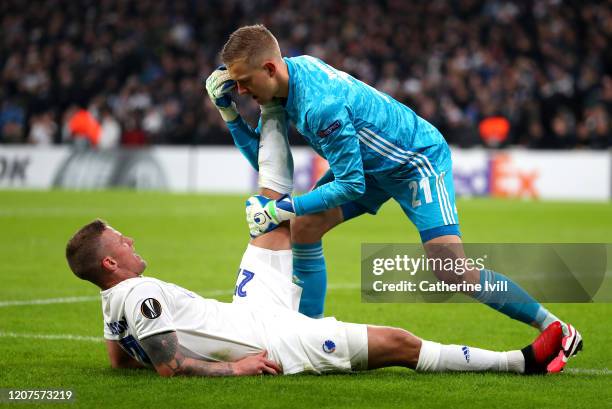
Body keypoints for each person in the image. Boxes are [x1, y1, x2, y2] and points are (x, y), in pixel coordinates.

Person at [204, 24, 582, 370]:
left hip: (414, 161)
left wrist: (282, 207)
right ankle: (312, 332)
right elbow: (266, 162)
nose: (240, 90)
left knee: (451, 269)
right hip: (371, 167)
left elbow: (349, 185)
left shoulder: (321, 105)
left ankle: (555, 327)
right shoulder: (286, 83)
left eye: (243, 81)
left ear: (270, 68)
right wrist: (231, 115)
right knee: (303, 227)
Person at [65, 218, 567, 377]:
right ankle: (519, 362)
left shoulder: (113, 300)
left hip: (248, 314)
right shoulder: (140, 291)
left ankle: (267, 115)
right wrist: (232, 368)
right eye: (122, 243)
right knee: (399, 342)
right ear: (109, 263)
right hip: (272, 341)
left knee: (273, 227)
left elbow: (118, 358)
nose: (131, 243)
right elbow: (169, 366)